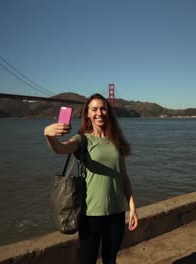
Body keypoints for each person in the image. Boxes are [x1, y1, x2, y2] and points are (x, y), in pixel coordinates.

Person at [44, 93, 138, 264]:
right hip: (91, 214)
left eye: (103, 108)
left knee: (111, 259)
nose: (99, 113)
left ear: (108, 112)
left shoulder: (115, 140)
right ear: (87, 113)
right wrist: (48, 135)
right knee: (87, 261)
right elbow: (60, 149)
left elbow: (123, 176)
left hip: (117, 212)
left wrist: (132, 207)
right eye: (94, 109)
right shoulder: (82, 139)